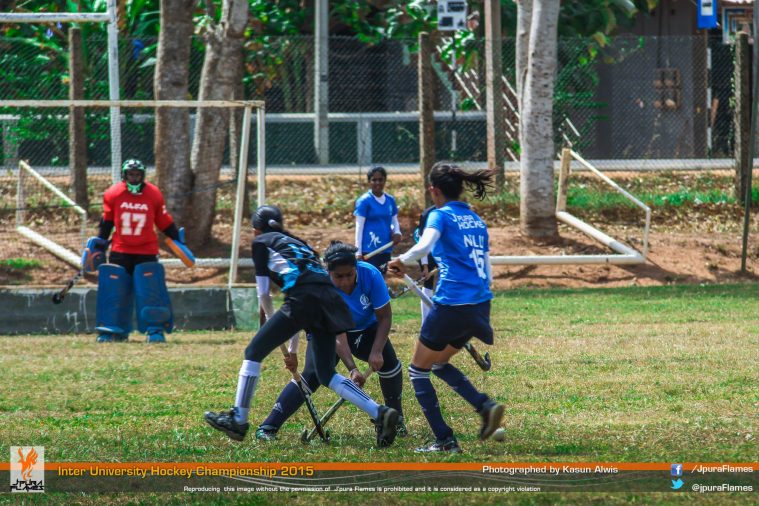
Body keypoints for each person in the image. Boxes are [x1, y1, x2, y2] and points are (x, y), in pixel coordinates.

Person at [204, 205, 399, 447]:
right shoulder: (300, 243)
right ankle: (380, 412)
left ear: (256, 230)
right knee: (325, 374)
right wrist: (293, 349)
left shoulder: (260, 243)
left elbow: (264, 295)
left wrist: (271, 324)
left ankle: (238, 419)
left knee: (253, 351)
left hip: (304, 300)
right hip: (329, 302)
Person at [387, 162, 504, 453]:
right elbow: (486, 267)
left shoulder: (439, 215)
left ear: (434, 190)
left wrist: (401, 260)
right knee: (438, 362)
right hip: (480, 305)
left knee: (417, 370)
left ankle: (444, 439)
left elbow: (424, 247)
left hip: (452, 304)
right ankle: (484, 406)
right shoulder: (475, 219)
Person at [255, 240, 407, 440]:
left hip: (367, 329)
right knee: (312, 374)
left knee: (390, 364)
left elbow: (385, 317)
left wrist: (377, 351)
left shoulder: (370, 274)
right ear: (328, 271)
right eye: (338, 276)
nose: (345, 282)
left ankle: (395, 421)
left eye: (349, 275)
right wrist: (352, 368)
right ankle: (269, 426)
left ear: (356, 268)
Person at [82, 159, 194, 344]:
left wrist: (178, 240)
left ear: (143, 175)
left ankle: (155, 329)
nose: (134, 178)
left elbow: (163, 221)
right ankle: (112, 329)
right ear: (124, 175)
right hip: (120, 250)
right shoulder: (113, 193)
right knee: (115, 291)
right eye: (130, 174)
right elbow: (107, 222)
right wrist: (100, 244)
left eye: (137, 174)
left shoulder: (153, 193)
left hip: (146, 250)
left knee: (150, 290)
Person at [354, 166, 401, 271]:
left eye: (380, 180)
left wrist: (397, 232)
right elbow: (359, 227)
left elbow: (394, 220)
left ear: (385, 180)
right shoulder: (364, 201)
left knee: (382, 276)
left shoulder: (390, 200)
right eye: (374, 180)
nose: (377, 183)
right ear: (369, 182)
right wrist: (358, 252)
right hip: (368, 250)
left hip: (385, 248)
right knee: (369, 277)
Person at [414, 205, 438, 322]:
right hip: (426, 249)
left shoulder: (452, 211)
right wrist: (425, 266)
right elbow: (422, 241)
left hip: (442, 248)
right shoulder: (427, 213)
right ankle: (426, 322)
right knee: (428, 283)